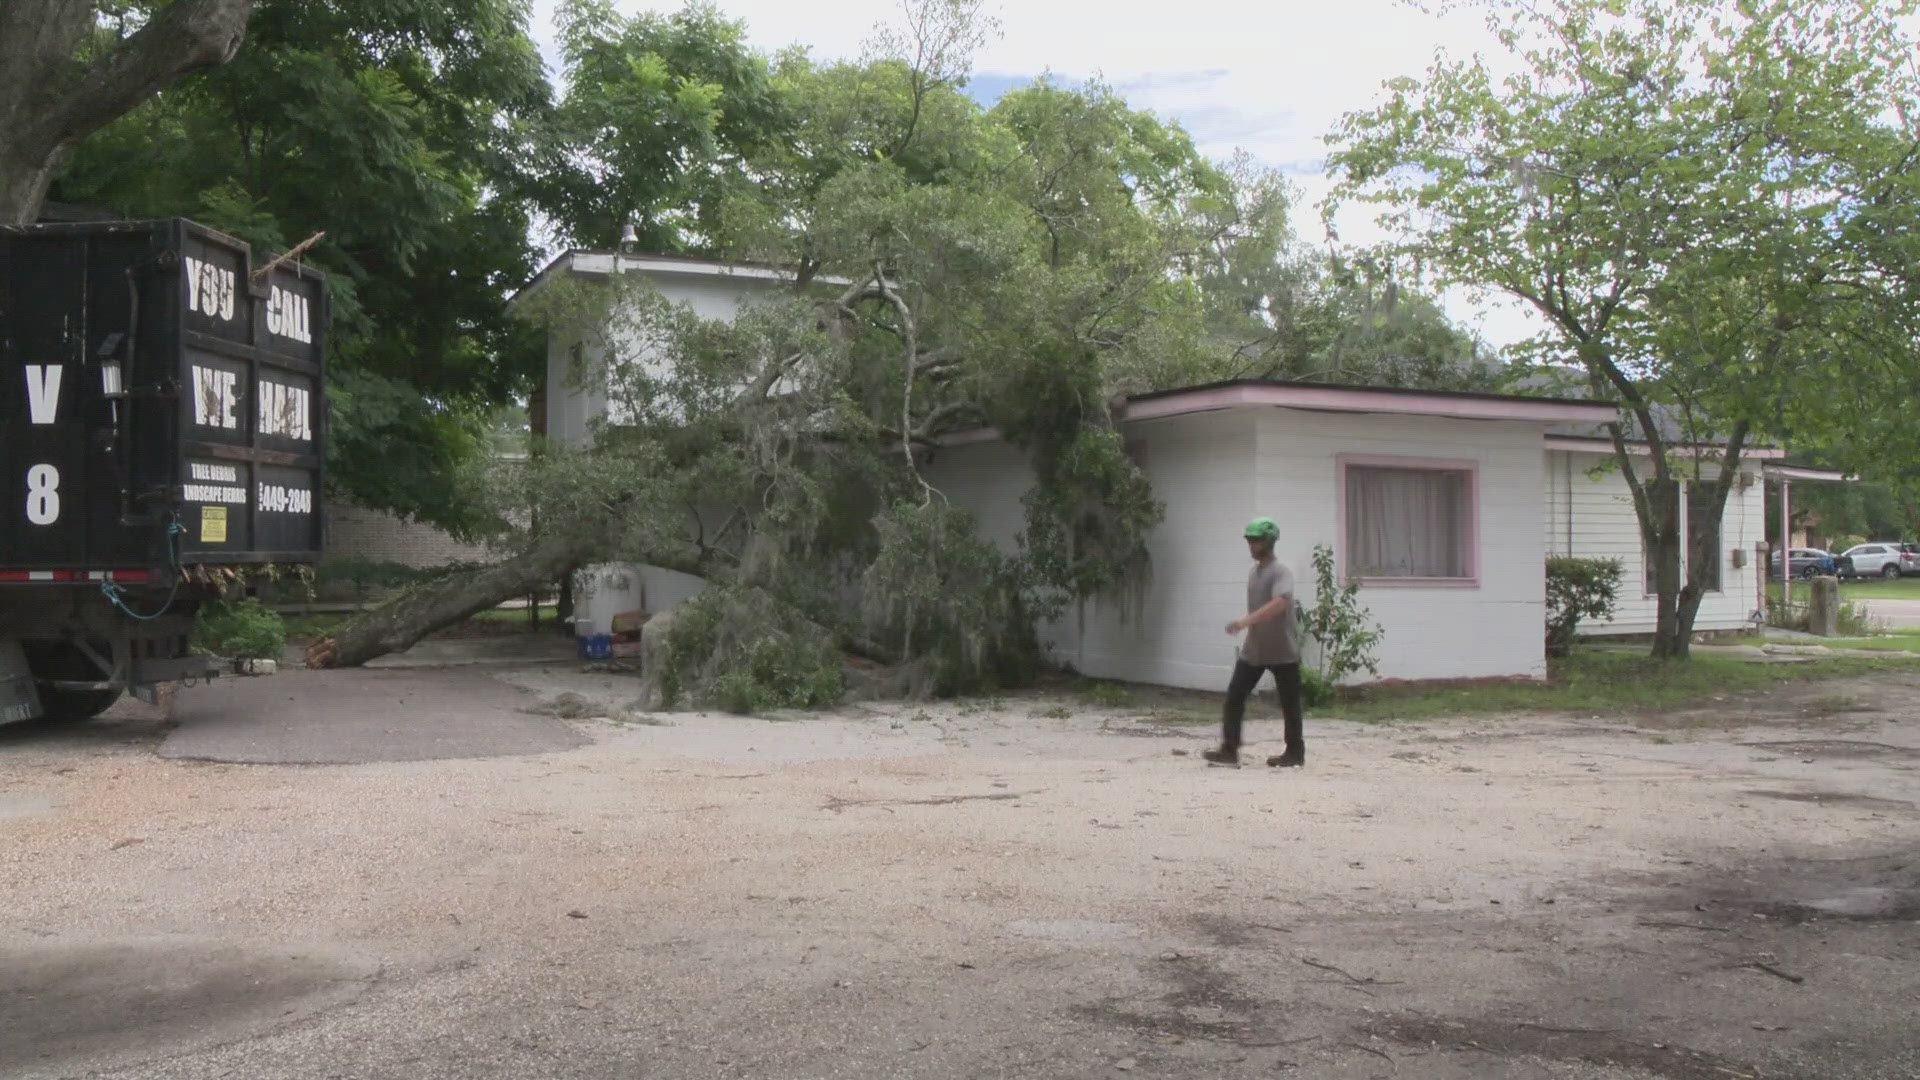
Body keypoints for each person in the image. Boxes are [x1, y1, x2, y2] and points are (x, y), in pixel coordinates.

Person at [1203, 517, 1305, 768]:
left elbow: (1281, 602)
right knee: (1234, 697)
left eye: (1256, 540)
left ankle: (1294, 752)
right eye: (1249, 540)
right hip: (1255, 649)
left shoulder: (1280, 571)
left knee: (1289, 703)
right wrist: (1249, 626)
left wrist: (1245, 621)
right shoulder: (1254, 572)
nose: (1251, 545)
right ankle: (1229, 750)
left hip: (1282, 649)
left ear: (1268, 542)